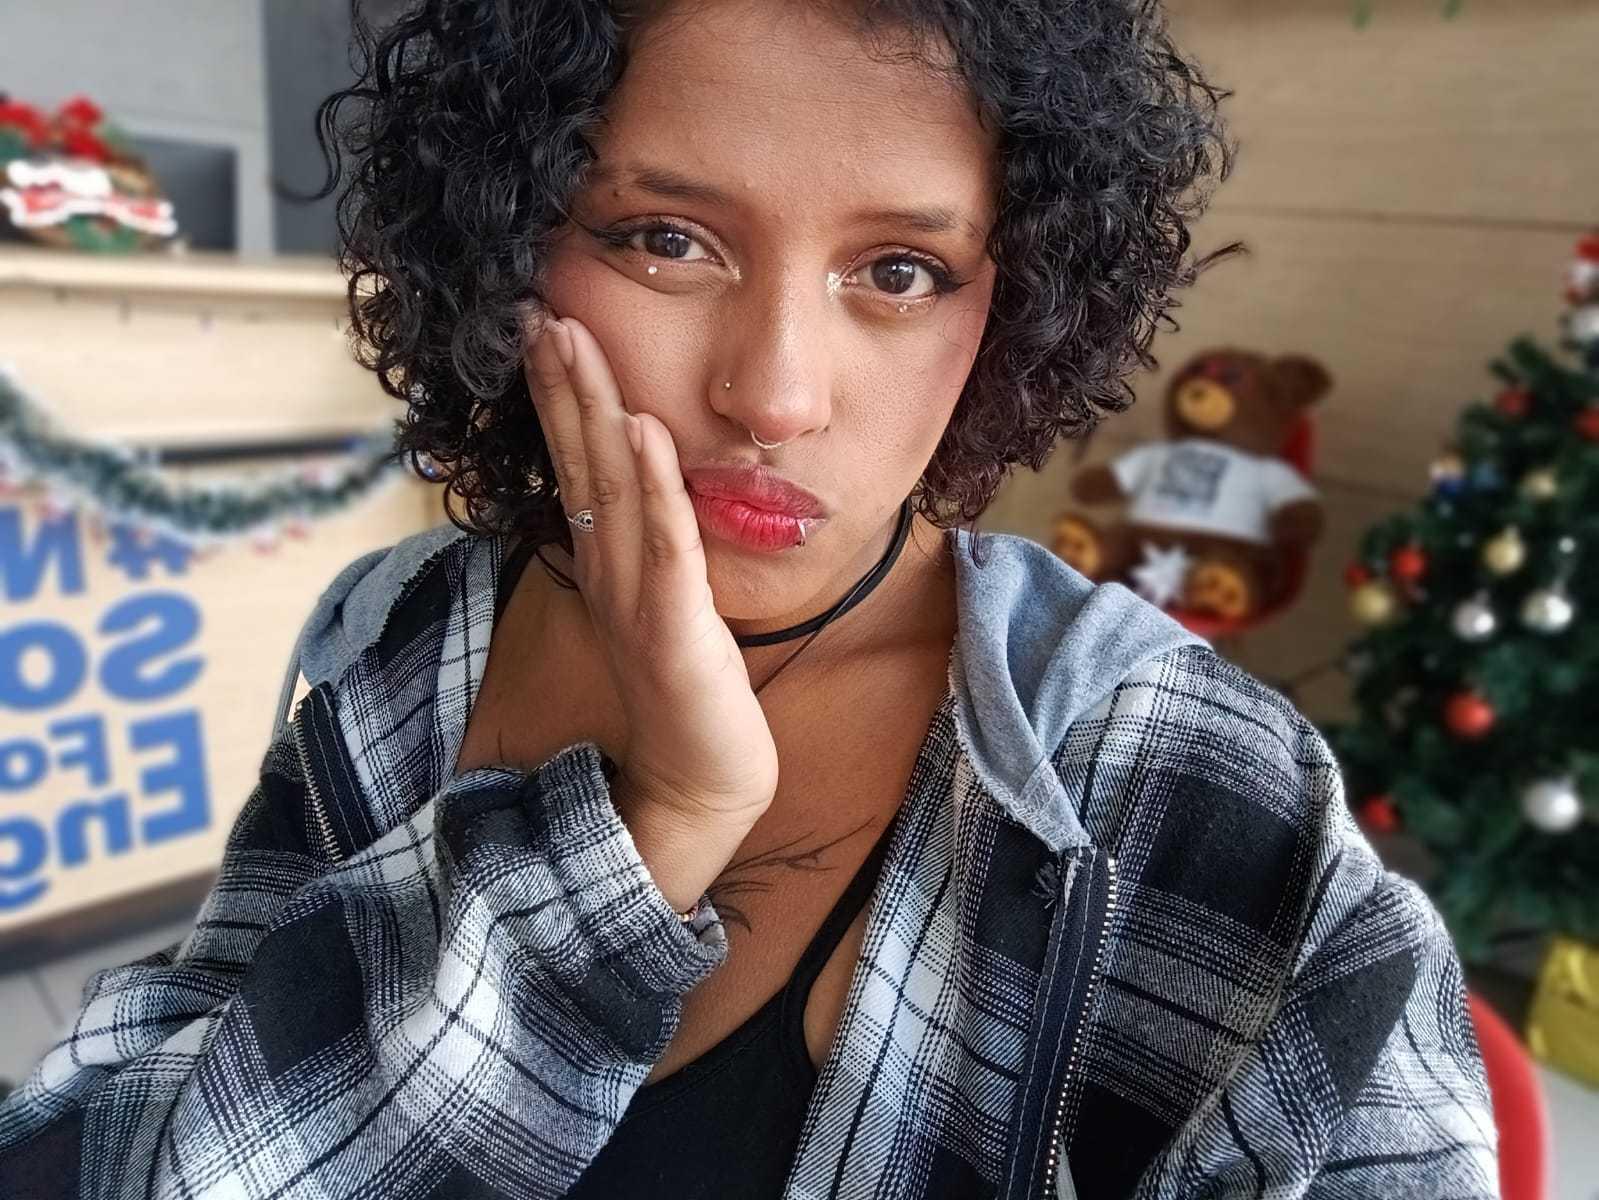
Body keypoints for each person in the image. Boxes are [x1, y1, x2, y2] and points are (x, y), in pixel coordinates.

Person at [0, 0, 1499, 1197]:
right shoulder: (397, 645)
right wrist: (649, 831)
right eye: (668, 240)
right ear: (509, 241)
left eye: (900, 271)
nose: (776, 394)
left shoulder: (1189, 796)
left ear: (1013, 302)